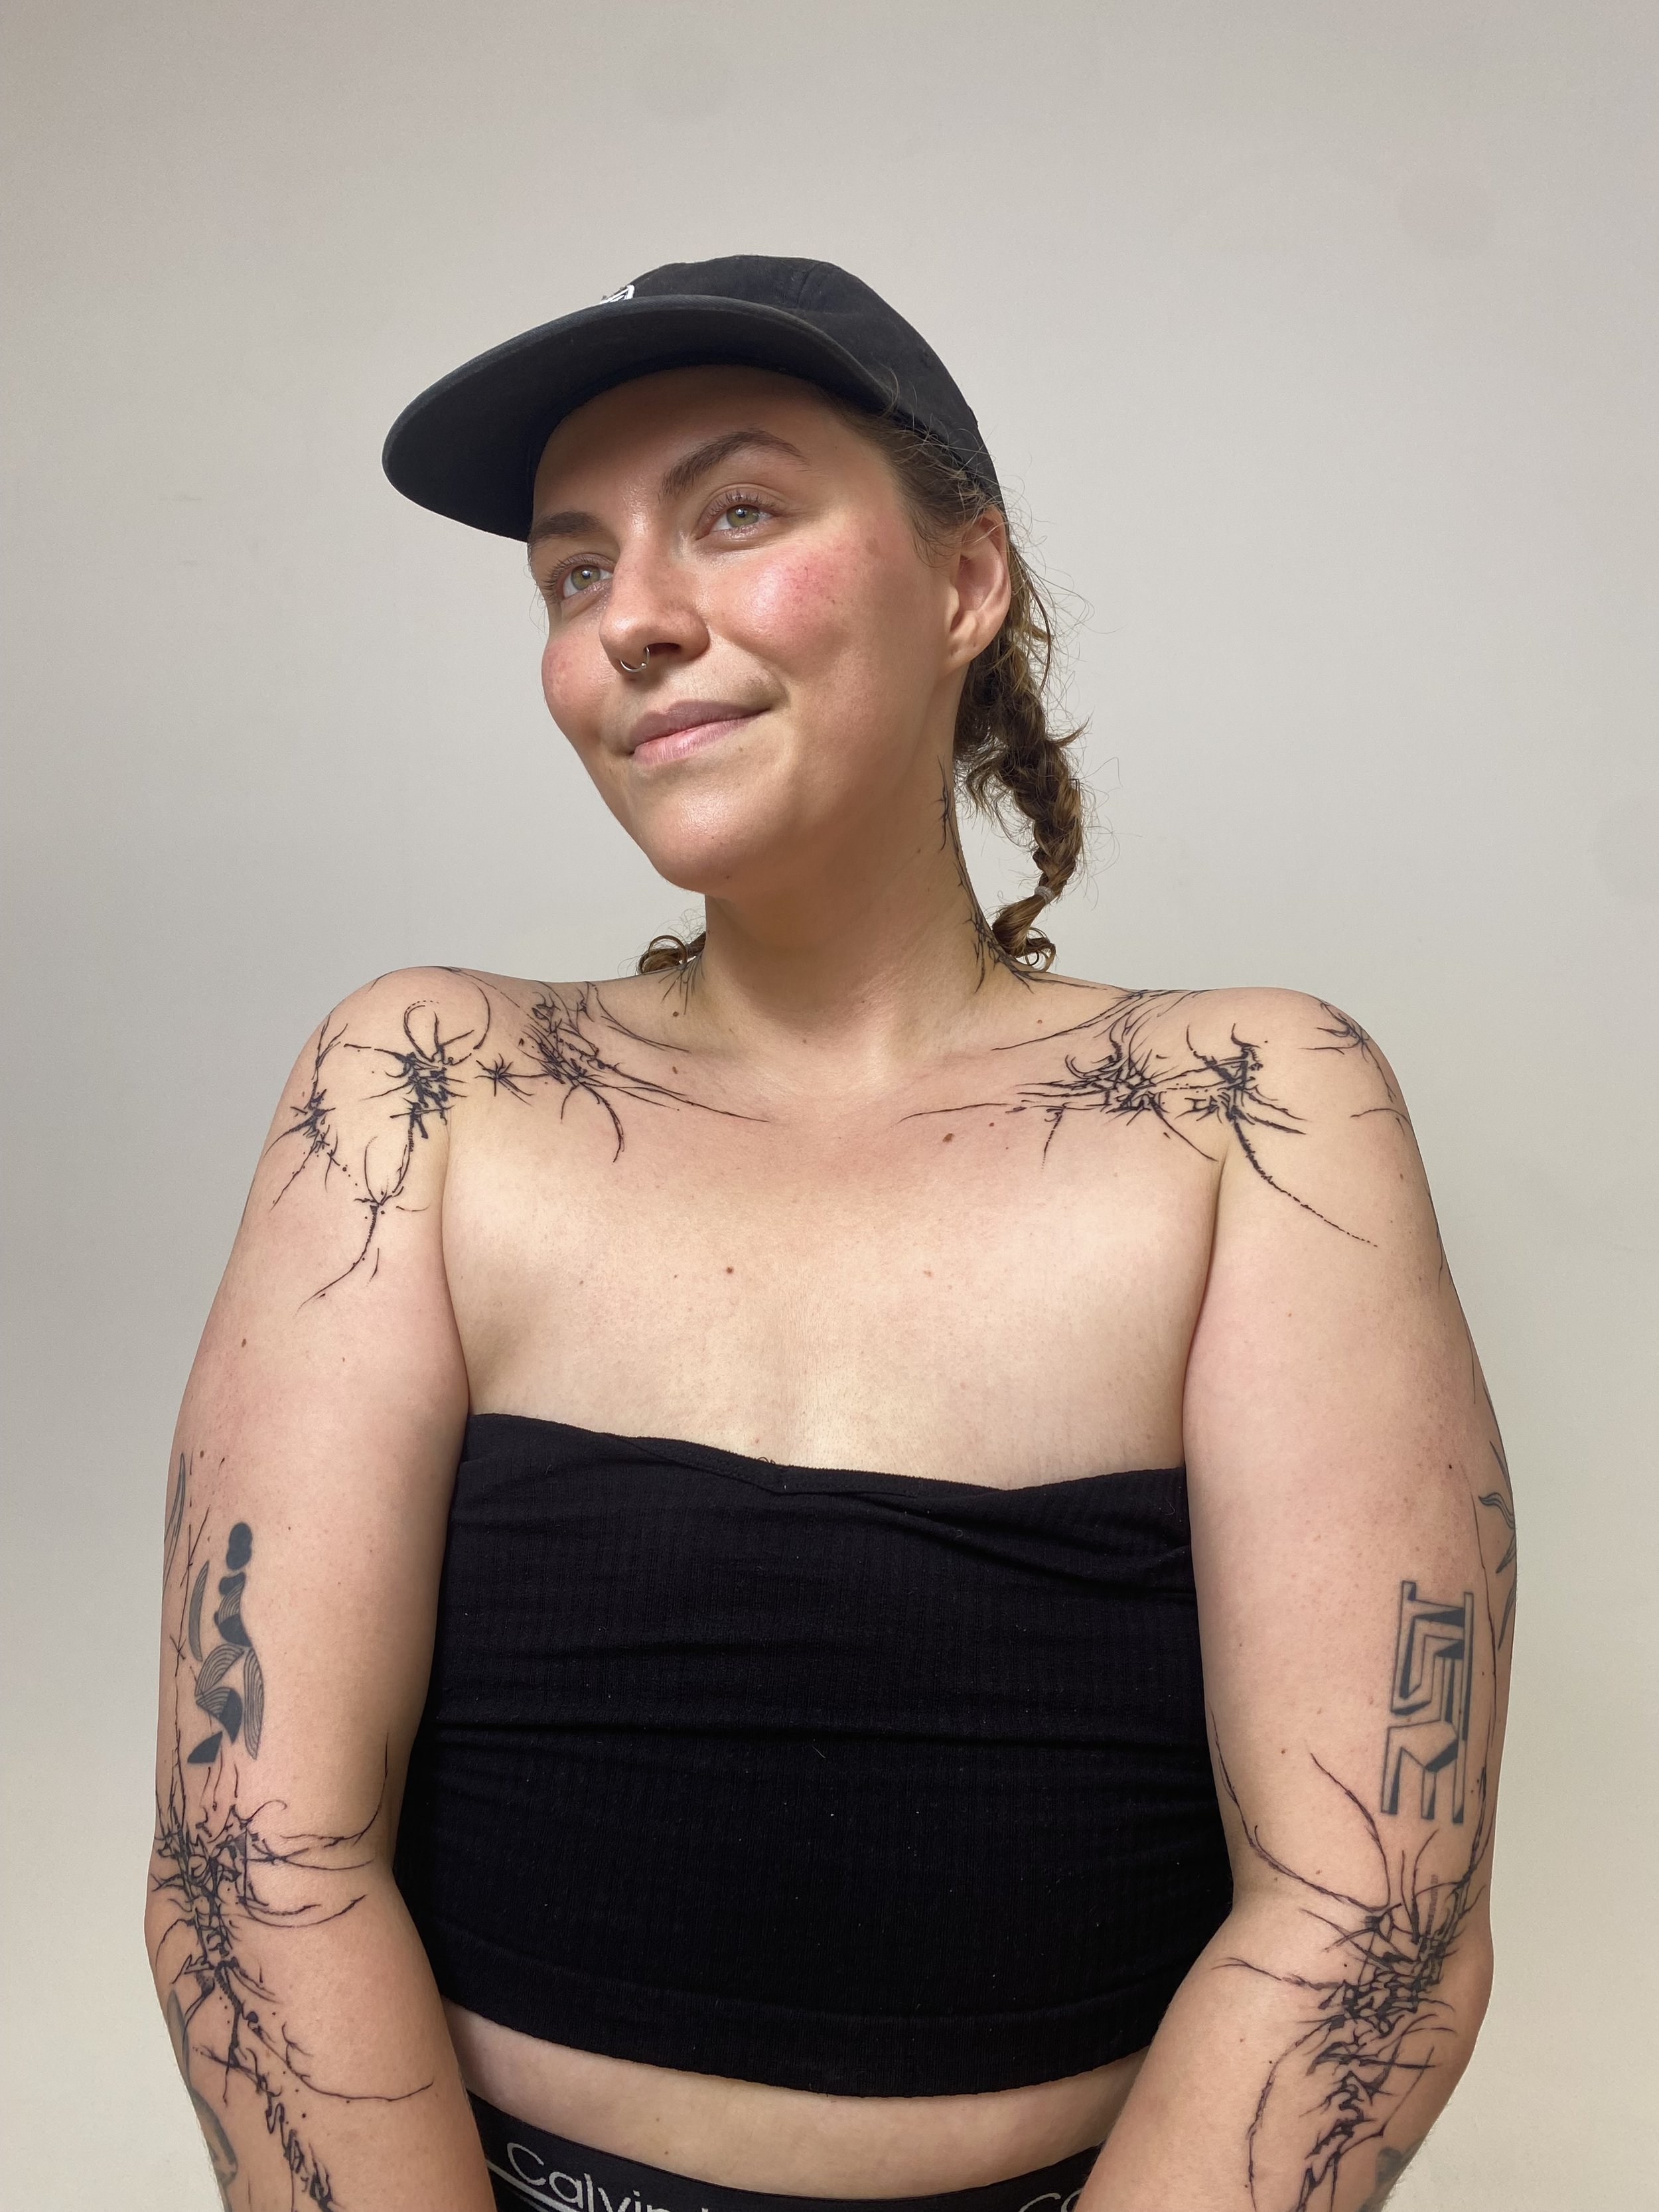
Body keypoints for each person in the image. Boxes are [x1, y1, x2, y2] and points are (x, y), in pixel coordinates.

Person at [146, 256, 1514, 2212]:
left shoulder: (1249, 1113)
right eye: (570, 570)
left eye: (736, 512)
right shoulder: (420, 1092)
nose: (635, 618)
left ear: (964, 585)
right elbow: (245, 1863)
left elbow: (1372, 1914)